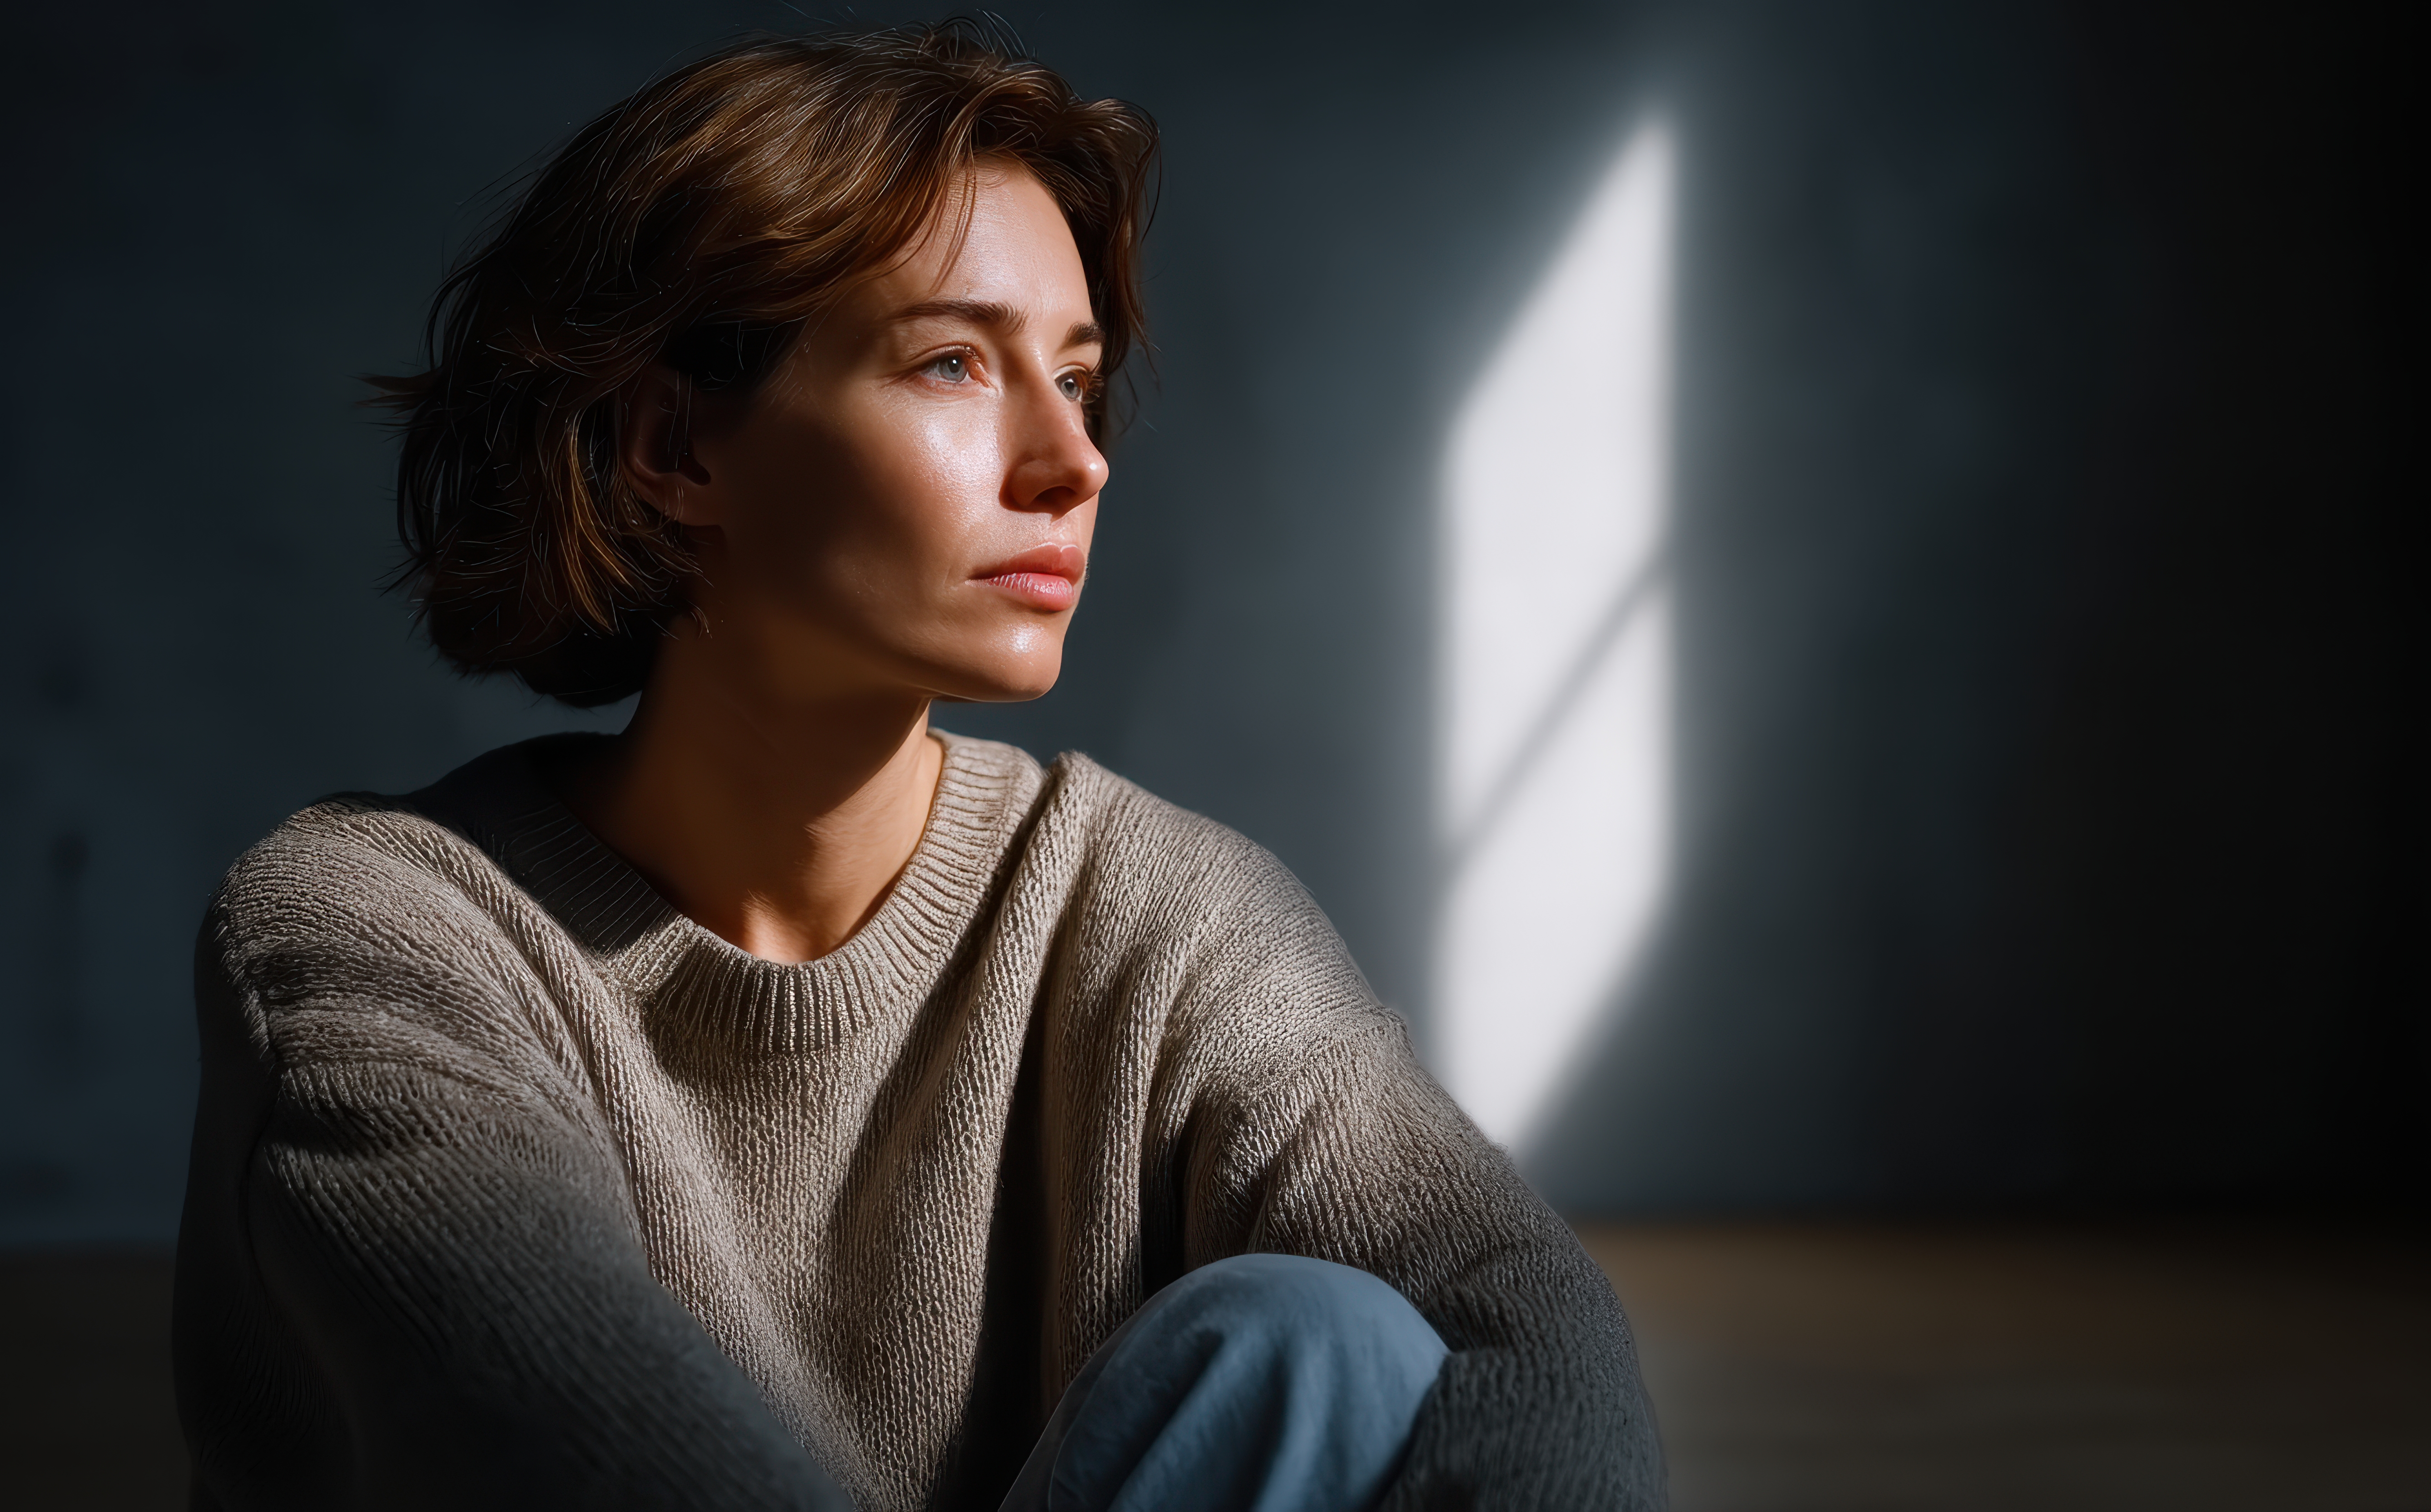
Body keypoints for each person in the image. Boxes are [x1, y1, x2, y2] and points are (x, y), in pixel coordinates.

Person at [172, 24, 1663, 1512]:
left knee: (1313, 1346)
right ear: (674, 443)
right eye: (954, 362)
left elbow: (1520, 1321)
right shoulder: (376, 932)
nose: (1075, 462)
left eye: (1076, 380)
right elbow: (579, 1444)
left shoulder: (1153, 912)